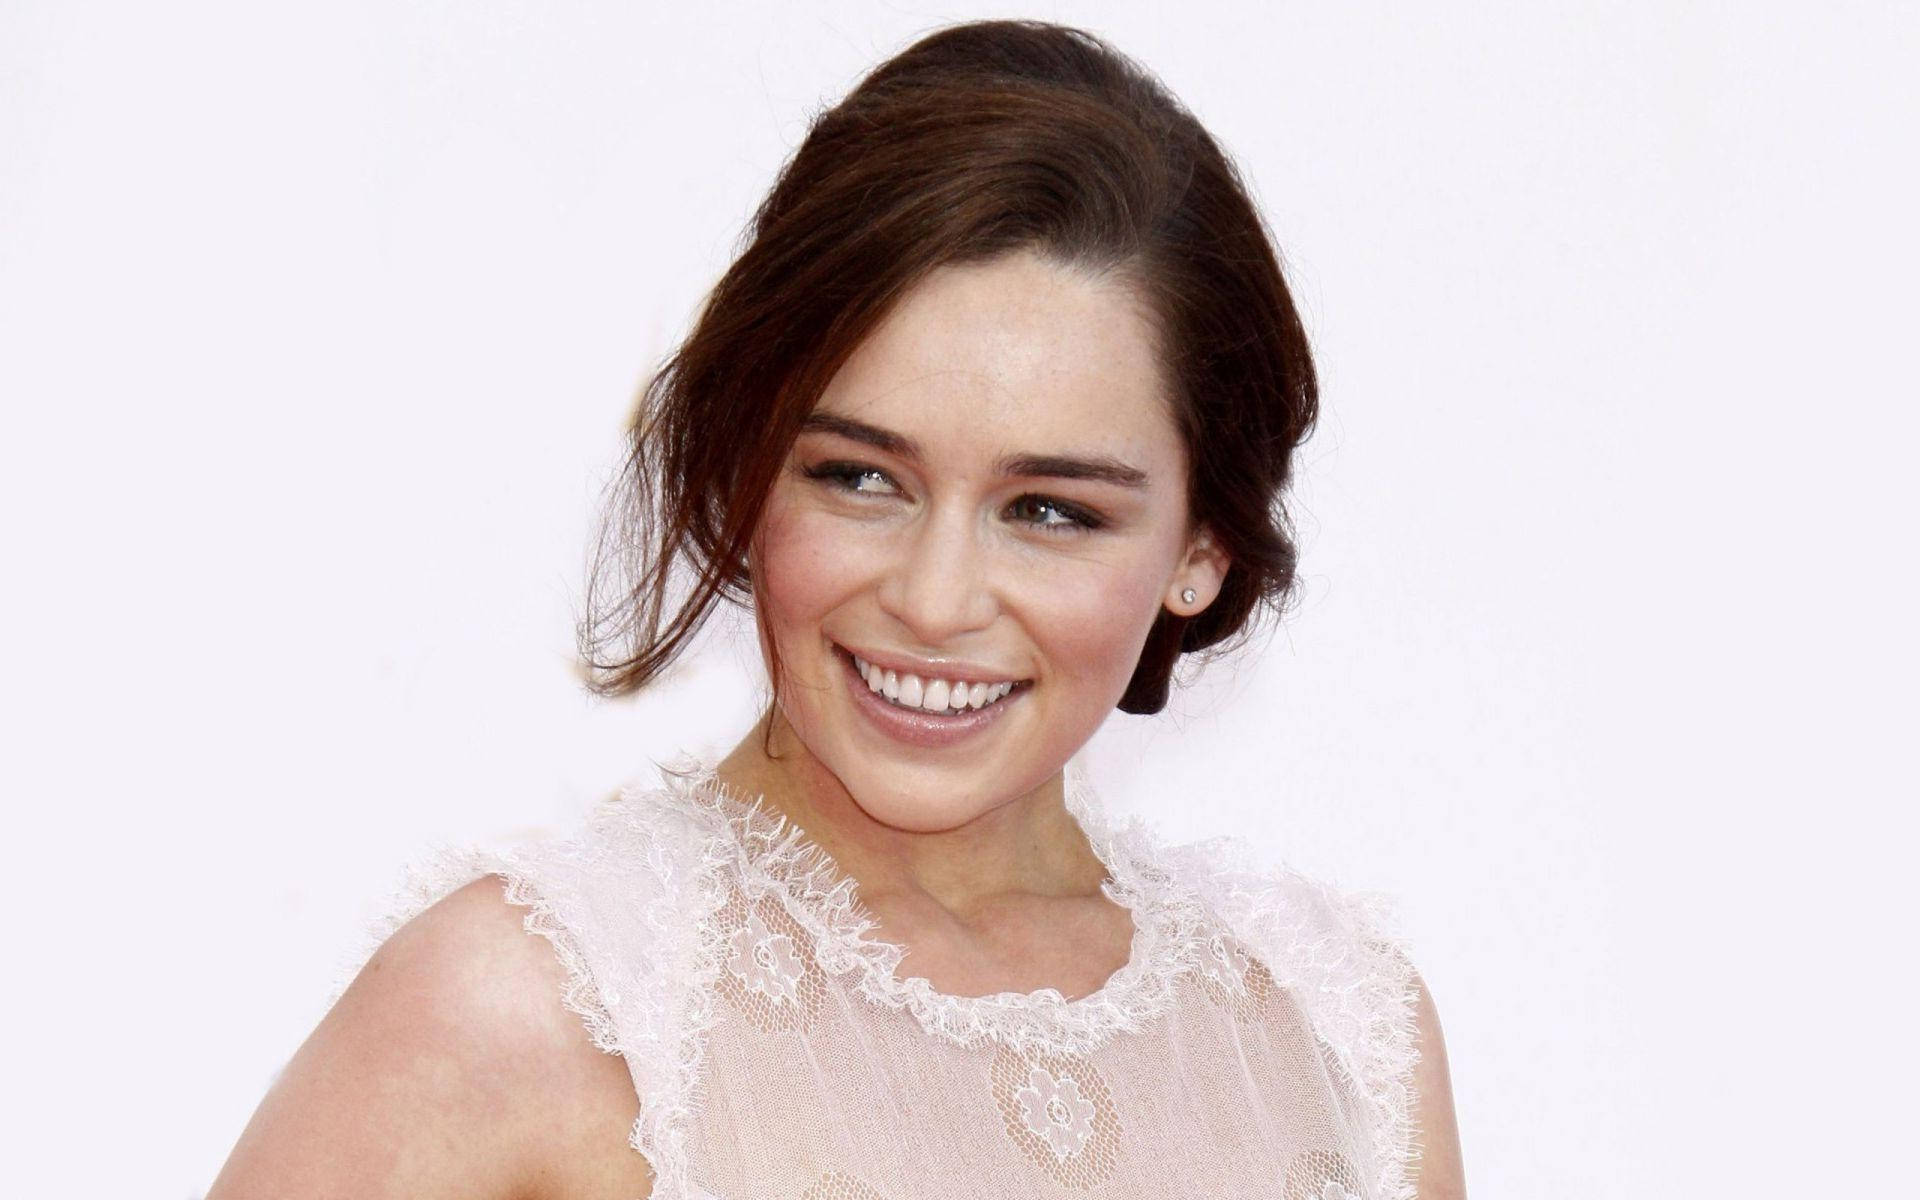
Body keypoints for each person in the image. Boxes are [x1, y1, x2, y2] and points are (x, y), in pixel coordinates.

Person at [208, 18, 1465, 1200]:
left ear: (1202, 548)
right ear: (751, 464)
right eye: (861, 478)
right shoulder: (531, 1007)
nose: (933, 599)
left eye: (1050, 510)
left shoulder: (1341, 1030)